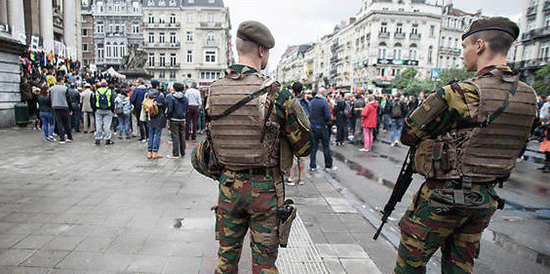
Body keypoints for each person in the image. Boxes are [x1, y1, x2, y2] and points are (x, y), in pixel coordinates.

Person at [393, 17, 538, 274]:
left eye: (464, 47)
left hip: (442, 197)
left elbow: (409, 133)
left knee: (409, 266)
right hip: (484, 198)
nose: (462, 55)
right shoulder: (529, 96)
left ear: (480, 45)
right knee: (460, 267)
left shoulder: (461, 93)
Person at [197, 20, 312, 274]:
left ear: (238, 47)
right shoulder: (277, 94)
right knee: (264, 265)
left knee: (225, 261)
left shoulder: (213, 91)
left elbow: (211, 141)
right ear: (262, 51)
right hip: (265, 192)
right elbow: (304, 147)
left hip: (228, 187)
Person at [287, 81, 309, 186]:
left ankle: (291, 178)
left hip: (293, 132)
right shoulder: (306, 102)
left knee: (293, 157)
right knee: (302, 156)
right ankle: (301, 179)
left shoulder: (291, 102)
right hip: (304, 132)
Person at [309, 87, 336, 171]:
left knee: (314, 147)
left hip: (313, 127)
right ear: (324, 94)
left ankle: (312, 165)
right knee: (326, 147)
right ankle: (328, 165)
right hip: (322, 127)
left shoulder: (312, 102)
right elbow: (328, 116)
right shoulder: (324, 102)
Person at [165, 82, 188, 159]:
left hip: (174, 119)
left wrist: (168, 118)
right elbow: (186, 109)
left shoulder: (171, 97)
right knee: (182, 136)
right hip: (182, 118)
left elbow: (170, 109)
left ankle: (175, 153)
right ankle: (183, 152)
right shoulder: (185, 98)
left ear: (174, 88)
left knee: (175, 136)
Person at [145, 80, 166, 159]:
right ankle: (155, 152)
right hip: (159, 116)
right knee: (157, 134)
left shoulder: (147, 94)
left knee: (150, 134)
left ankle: (149, 152)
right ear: (157, 86)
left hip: (150, 116)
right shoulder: (160, 95)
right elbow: (164, 105)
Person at [49, 76, 73, 144]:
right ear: (61, 81)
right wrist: (70, 109)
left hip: (55, 106)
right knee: (66, 122)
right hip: (64, 106)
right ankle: (69, 136)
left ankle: (62, 138)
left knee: (59, 122)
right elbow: (68, 99)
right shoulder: (65, 88)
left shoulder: (52, 89)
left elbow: (50, 98)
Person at [91, 80, 115, 145]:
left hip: (98, 110)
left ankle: (98, 139)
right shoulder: (109, 91)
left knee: (98, 124)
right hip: (108, 110)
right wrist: (112, 110)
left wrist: (95, 109)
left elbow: (93, 101)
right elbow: (112, 101)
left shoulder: (97, 91)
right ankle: (107, 139)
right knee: (107, 125)